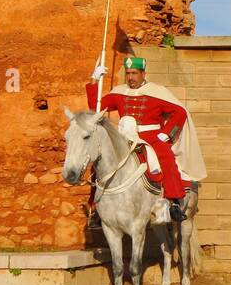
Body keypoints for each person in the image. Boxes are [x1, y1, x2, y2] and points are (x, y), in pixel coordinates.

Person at [86, 55, 206, 221]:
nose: (130, 77)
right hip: (125, 137)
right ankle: (97, 208)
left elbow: (180, 112)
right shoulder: (119, 92)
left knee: (166, 160)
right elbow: (96, 107)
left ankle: (174, 203)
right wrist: (94, 80)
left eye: (134, 73)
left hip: (152, 137)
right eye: (128, 73)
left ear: (143, 73)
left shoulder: (157, 92)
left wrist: (166, 133)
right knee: (101, 161)